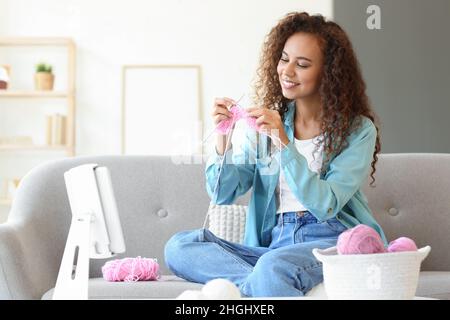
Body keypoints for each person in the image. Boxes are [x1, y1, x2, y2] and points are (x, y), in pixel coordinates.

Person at [165, 11, 387, 297]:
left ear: (328, 73)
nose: (287, 70)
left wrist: (284, 144)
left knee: (273, 265)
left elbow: (326, 204)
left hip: (331, 240)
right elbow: (223, 194)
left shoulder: (357, 130)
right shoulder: (269, 125)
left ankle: (256, 285)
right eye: (284, 59)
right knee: (180, 247)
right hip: (273, 245)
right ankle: (262, 284)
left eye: (302, 64)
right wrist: (223, 137)